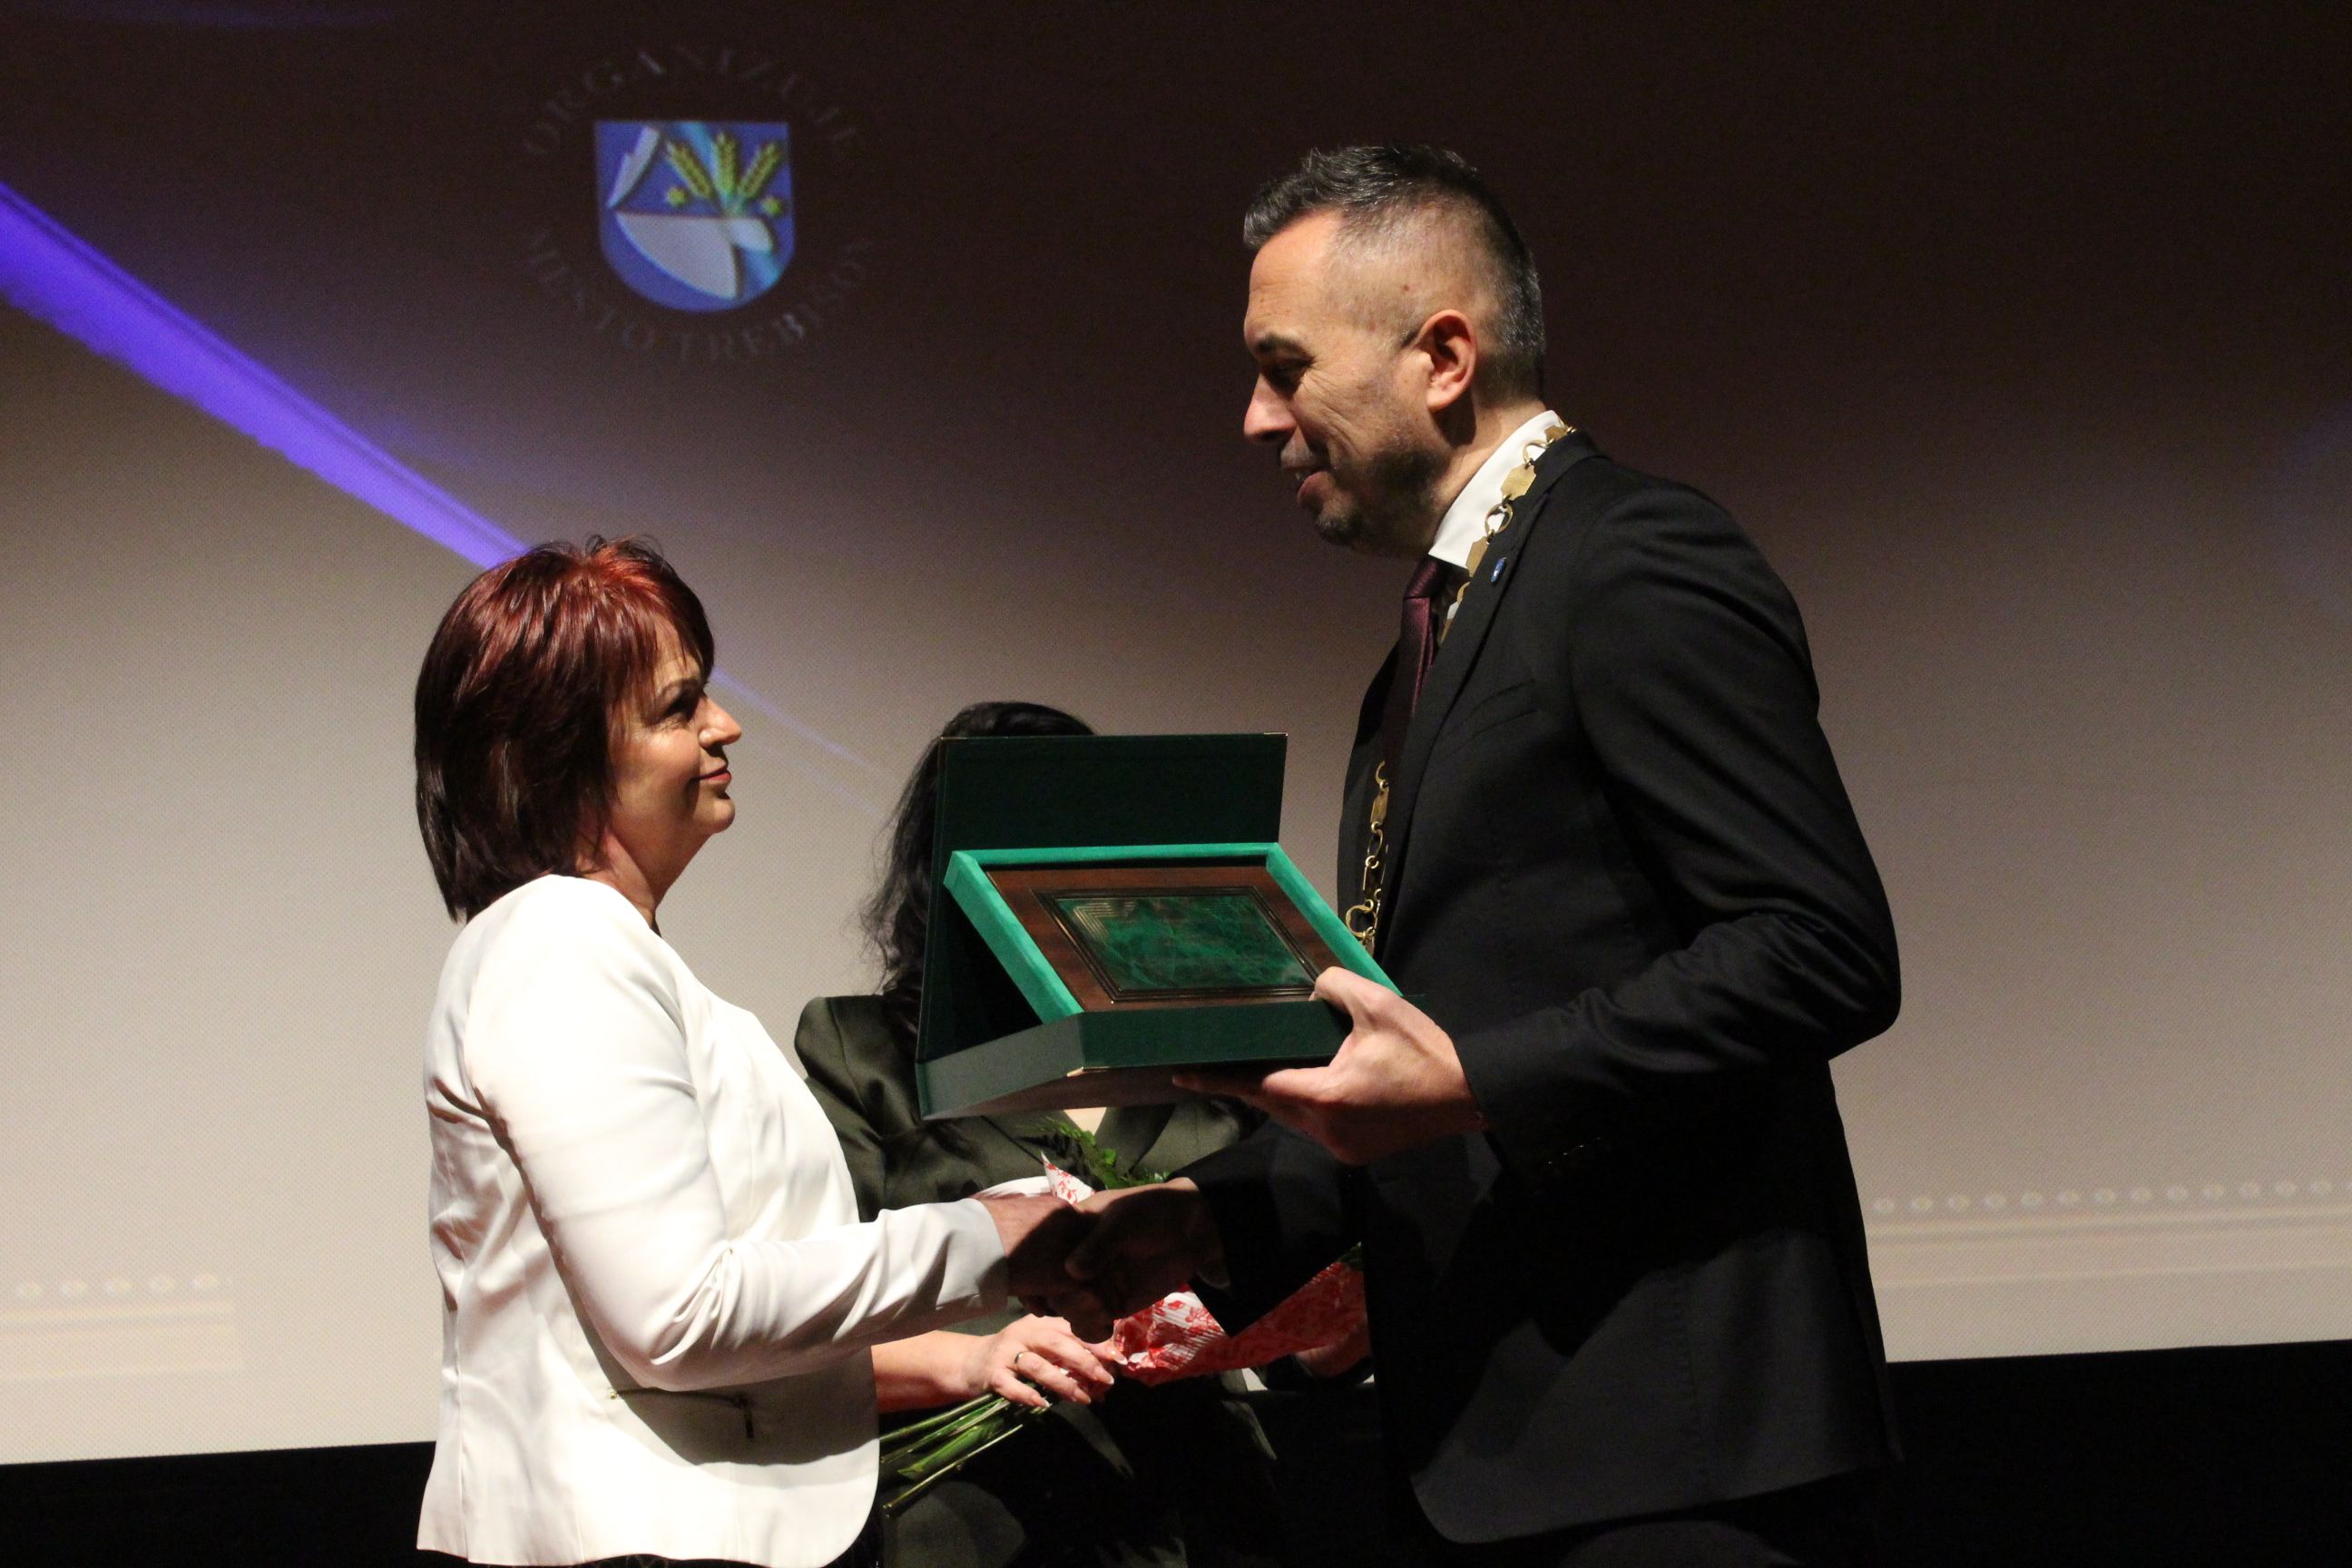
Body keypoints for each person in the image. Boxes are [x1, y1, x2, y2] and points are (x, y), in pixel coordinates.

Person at [1052, 146, 1903, 1565]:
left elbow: (1820, 951)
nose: (1256, 419)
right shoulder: (1431, 642)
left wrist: (1472, 1082)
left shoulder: (1631, 557)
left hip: (1675, 1456)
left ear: (1444, 357)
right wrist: (1214, 1220)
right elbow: (1436, 1055)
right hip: (1504, 1452)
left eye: (1284, 368)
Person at [412, 539, 1097, 1568]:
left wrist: (966, 1357)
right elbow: (679, 1317)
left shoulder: (608, 951)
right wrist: (989, 1237)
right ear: (562, 759)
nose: (724, 724)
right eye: (678, 707)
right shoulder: (564, 941)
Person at [795, 700, 1289, 1568]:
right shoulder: (865, 1050)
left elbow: (1286, 1257)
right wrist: (978, 1355)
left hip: (1208, 1500)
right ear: (947, 862)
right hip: (987, 1506)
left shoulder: (1203, 1048)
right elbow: (801, 1325)